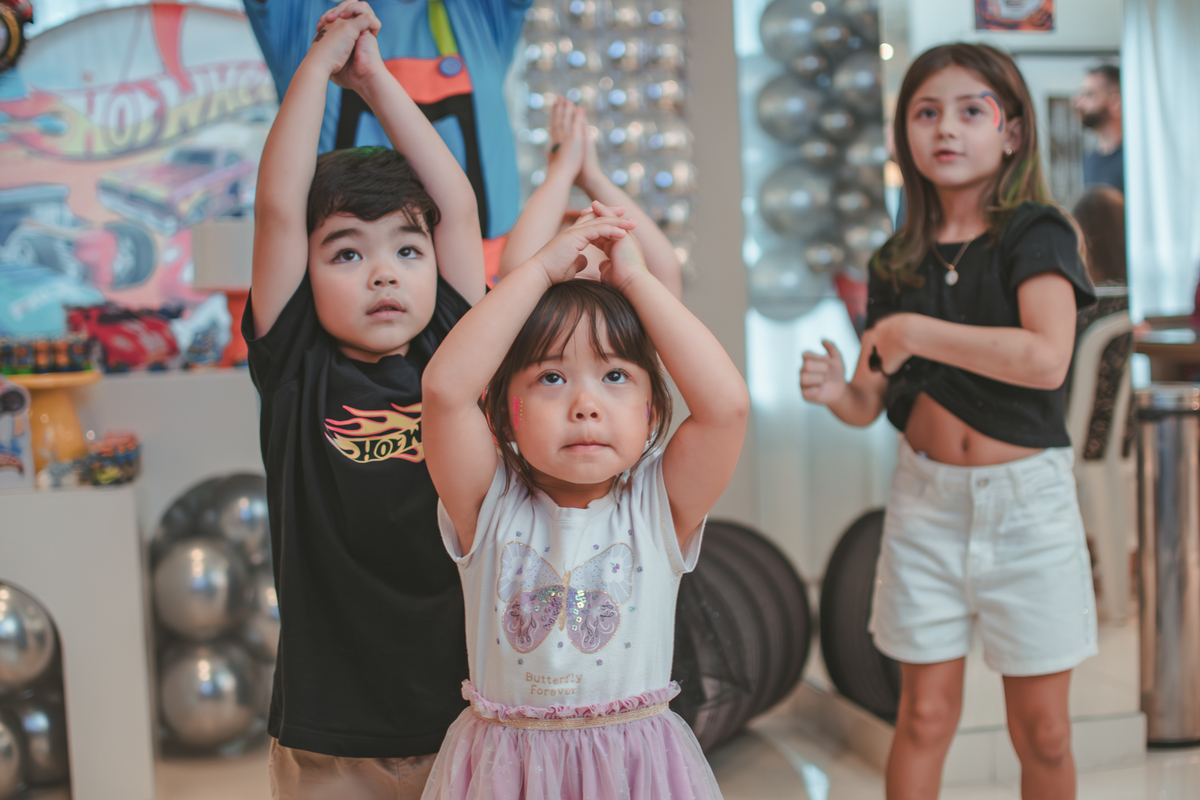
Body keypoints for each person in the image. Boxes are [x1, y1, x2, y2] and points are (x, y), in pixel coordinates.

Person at [800, 44, 1097, 800]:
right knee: (924, 717)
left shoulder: (1038, 232)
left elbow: (1046, 360)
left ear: (1013, 133)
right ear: (905, 134)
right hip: (925, 505)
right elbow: (871, 403)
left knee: (1047, 734)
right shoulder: (895, 260)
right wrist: (839, 389)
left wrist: (910, 334)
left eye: (972, 110)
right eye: (926, 112)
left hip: (1026, 507)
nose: (947, 129)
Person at [419, 200, 749, 798]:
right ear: (504, 413)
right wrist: (541, 271)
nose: (585, 405)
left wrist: (636, 282)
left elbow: (726, 406)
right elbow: (444, 391)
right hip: (507, 774)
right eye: (550, 377)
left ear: (651, 411)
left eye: (615, 376)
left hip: (632, 773)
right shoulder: (487, 505)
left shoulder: (657, 508)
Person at [245, 3, 484, 796]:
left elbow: (454, 202)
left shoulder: (456, 346)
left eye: (406, 250)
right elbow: (281, 206)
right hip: (329, 729)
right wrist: (316, 68)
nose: (384, 271)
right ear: (306, 277)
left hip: (464, 712)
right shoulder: (295, 362)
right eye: (347, 252)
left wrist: (377, 81)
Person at [243, 0, 532, 281]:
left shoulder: (478, 10)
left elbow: (459, 209)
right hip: (342, 275)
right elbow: (277, 212)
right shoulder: (304, 12)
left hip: (481, 265)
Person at [499, 96, 683, 299]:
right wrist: (563, 171)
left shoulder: (633, 321)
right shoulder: (527, 311)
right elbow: (516, 275)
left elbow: (665, 267)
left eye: (600, 271)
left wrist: (590, 178)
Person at [1074, 64, 1123, 193]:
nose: (1078, 102)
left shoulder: (1133, 158)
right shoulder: (1090, 161)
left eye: (1089, 95)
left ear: (1116, 103)